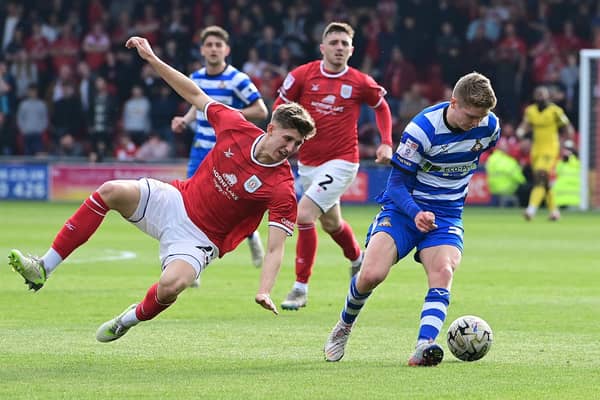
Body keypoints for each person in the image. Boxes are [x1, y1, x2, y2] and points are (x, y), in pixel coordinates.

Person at [8, 36, 316, 343]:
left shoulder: (281, 187)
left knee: (171, 285)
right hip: (175, 200)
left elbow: (276, 248)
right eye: (287, 139)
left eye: (297, 144)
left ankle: (127, 319)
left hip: (201, 240)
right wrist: (152, 59)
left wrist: (264, 289)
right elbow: (194, 92)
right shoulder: (235, 125)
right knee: (111, 190)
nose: (290, 148)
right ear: (271, 128)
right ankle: (43, 267)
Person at [323, 72, 499, 366]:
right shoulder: (422, 130)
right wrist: (416, 212)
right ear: (453, 102)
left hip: (446, 215)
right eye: (471, 116)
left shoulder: (489, 127)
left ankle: (424, 346)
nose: (476, 123)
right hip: (404, 211)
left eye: (482, 117)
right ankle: (343, 327)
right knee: (370, 275)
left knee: (443, 271)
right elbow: (394, 185)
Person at [272, 22, 393, 311]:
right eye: (334, 42)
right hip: (308, 163)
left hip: (342, 162)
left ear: (352, 50)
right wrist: (279, 140)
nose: (339, 47)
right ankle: (357, 258)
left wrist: (386, 141)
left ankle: (300, 288)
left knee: (304, 215)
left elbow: (381, 106)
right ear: (322, 47)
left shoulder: (360, 81)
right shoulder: (303, 75)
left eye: (344, 43)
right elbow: (280, 106)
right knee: (331, 223)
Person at [171, 25, 269, 269]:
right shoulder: (196, 78)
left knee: (230, 204)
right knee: (188, 201)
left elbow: (261, 110)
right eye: (209, 45)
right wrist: (185, 120)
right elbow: (197, 105)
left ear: (226, 50)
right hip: (200, 148)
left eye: (218, 45)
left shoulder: (237, 79)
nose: (214, 49)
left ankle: (250, 235)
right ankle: (187, 260)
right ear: (202, 50)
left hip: (228, 152)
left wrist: (228, 114)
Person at [516, 86, 575, 221]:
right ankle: (554, 211)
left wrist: (568, 144)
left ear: (548, 96)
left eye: (542, 94)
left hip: (551, 149)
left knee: (540, 176)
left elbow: (567, 127)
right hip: (536, 149)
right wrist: (520, 132)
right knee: (545, 181)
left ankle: (531, 210)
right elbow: (526, 124)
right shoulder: (530, 111)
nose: (540, 97)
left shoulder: (555, 111)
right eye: (538, 94)